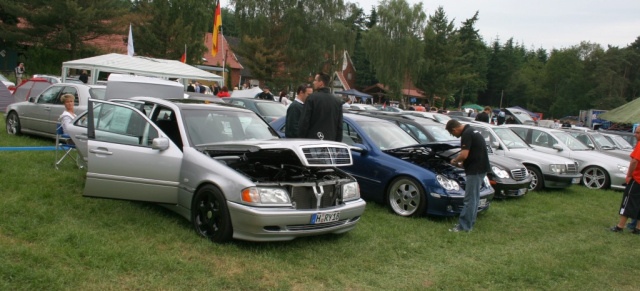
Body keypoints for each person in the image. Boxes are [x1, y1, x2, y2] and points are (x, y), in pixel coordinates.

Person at [445, 119, 491, 232]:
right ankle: (469, 223)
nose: (454, 136)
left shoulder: (466, 134)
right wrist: (463, 164)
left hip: (475, 170)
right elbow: (474, 153)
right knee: (474, 198)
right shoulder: (472, 131)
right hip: (481, 168)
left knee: (470, 199)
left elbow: (464, 154)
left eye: (452, 133)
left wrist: (455, 161)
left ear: (455, 129)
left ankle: (464, 227)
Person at [608, 127, 640, 234]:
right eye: (635, 132)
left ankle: (620, 226)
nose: (635, 135)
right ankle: (638, 229)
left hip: (637, 180)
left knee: (628, 201)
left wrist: (630, 175)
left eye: (638, 133)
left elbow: (634, 161)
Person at [298, 72, 343, 142]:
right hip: (330, 143)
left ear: (321, 83)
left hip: (312, 142)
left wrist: (301, 139)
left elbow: (304, 122)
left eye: (315, 80)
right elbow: (339, 126)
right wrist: (337, 144)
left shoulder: (312, 98)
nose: (313, 82)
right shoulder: (337, 102)